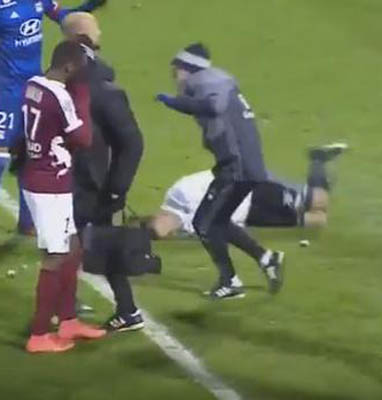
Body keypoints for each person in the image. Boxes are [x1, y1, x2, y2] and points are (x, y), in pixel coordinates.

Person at [156, 43, 284, 300]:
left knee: (204, 223)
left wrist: (175, 102)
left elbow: (213, 107)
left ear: (188, 68)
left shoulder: (205, 81)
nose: (175, 77)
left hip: (237, 167)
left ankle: (230, 281)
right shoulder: (217, 81)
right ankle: (265, 258)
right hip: (243, 165)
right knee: (217, 221)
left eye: (176, 71)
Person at [0, 0, 106, 248]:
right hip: (6, 91)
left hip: (34, 87)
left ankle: (27, 221)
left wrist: (90, 6)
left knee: (32, 151)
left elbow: (65, 17)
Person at [61, 13, 146, 332]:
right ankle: (126, 311)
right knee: (89, 243)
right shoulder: (89, 80)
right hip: (84, 180)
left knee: (72, 244)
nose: (100, 32)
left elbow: (132, 143)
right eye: (96, 28)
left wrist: (116, 188)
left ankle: (68, 311)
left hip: (87, 183)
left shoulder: (93, 86)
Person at [22, 40, 106, 353]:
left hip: (43, 176)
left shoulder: (34, 84)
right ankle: (39, 334)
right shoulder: (61, 95)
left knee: (72, 247)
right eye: (80, 70)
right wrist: (81, 94)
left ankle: (68, 320)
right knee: (55, 257)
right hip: (49, 186)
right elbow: (83, 138)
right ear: (69, 67)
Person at [150, 143, 346, 239]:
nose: (172, 232)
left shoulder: (180, 193)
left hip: (253, 192)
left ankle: (317, 160)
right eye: (168, 234)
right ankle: (317, 167)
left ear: (160, 215)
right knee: (318, 220)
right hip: (253, 217)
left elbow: (216, 176)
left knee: (320, 201)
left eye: (167, 228)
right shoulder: (185, 230)